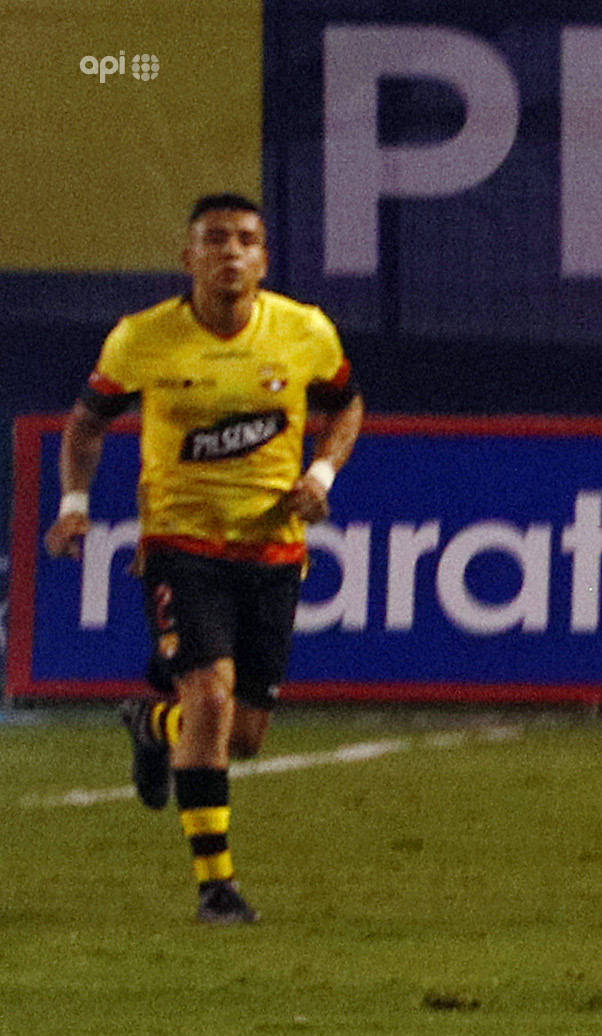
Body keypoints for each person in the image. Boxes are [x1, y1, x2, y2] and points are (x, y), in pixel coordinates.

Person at [43, 193, 364, 926]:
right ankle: (217, 889)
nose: (230, 253)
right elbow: (88, 421)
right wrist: (73, 503)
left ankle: (151, 724)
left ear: (264, 258)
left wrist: (321, 475)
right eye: (214, 240)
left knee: (242, 737)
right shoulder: (143, 339)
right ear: (187, 258)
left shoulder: (304, 331)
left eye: (246, 240)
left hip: (273, 550)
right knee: (211, 702)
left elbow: (347, 402)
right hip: (181, 546)